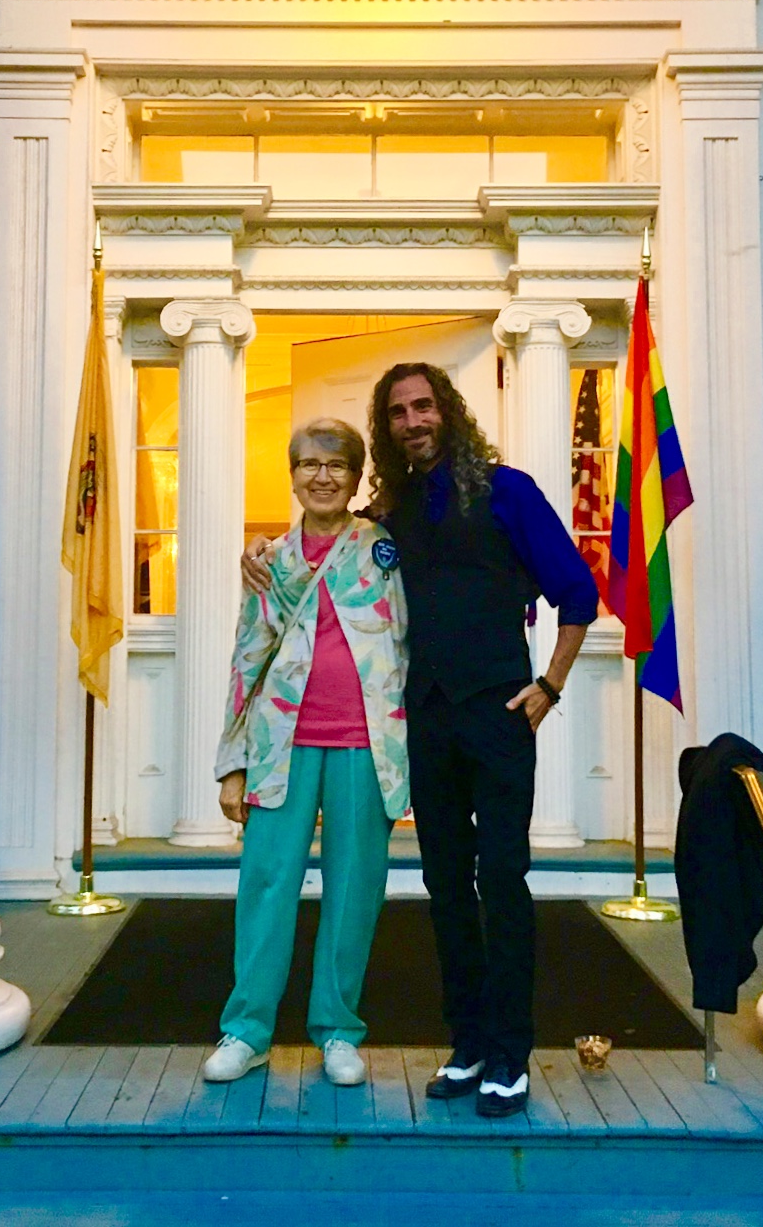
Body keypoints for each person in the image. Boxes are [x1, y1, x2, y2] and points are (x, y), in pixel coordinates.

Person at [245, 365, 597, 1117]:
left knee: (500, 883)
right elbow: (326, 545)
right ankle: (467, 1045)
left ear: (448, 412)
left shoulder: (509, 491)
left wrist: (550, 686)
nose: (413, 420)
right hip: (424, 724)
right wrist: (261, 562)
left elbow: (577, 593)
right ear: (387, 427)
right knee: (443, 889)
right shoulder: (391, 514)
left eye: (423, 406)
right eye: (398, 412)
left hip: (499, 717)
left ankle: (510, 1054)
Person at [203, 418, 409, 1089]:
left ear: (355, 477)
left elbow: (409, 640)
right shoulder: (271, 561)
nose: (322, 476)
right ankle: (246, 1030)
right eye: (308, 464)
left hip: (363, 746)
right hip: (276, 748)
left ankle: (339, 1030)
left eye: (336, 465)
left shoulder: (387, 549)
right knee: (266, 887)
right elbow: (246, 661)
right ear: (290, 475)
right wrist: (230, 761)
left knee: (354, 891)